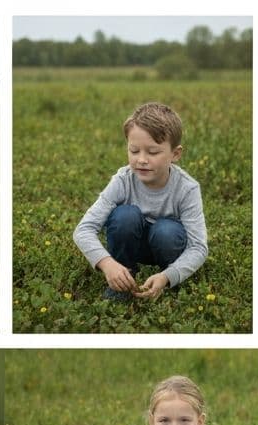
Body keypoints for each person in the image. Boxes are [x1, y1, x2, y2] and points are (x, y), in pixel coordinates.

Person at [73, 101, 208, 302]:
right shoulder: (123, 180)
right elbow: (83, 230)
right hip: (132, 246)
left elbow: (199, 248)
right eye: (134, 151)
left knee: (166, 230)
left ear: (175, 154)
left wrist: (168, 276)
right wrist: (108, 263)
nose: (141, 160)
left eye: (153, 152)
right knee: (124, 216)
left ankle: (163, 282)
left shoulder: (187, 188)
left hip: (167, 248)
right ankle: (123, 281)